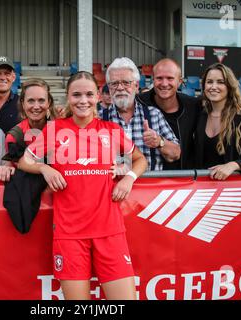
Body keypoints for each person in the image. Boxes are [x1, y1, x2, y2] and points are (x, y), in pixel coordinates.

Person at [18, 71, 148, 300]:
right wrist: (45, 168)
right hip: (70, 235)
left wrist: (128, 177)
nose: (83, 100)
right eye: (76, 95)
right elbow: (24, 161)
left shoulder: (111, 131)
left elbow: (140, 160)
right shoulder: (55, 129)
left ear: (98, 96)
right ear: (68, 97)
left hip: (110, 231)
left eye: (89, 94)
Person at [100, 57, 180, 171]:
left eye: (126, 83)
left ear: (136, 86)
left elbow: (176, 153)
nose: (120, 88)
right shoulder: (98, 118)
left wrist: (159, 141)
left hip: (149, 187)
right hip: (113, 187)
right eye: (114, 83)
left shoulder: (154, 115)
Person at [194, 63, 241, 180]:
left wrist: (233, 165)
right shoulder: (199, 113)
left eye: (220, 82)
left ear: (229, 86)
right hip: (201, 188)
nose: (213, 86)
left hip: (231, 188)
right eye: (209, 82)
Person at [137, 58, 201, 170]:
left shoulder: (193, 106)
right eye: (159, 78)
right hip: (148, 182)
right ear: (153, 80)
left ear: (180, 82)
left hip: (185, 180)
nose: (164, 83)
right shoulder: (138, 103)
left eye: (170, 78)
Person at [5, 78, 57, 161]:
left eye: (41, 100)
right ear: (23, 103)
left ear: (49, 102)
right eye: (31, 101)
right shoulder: (15, 136)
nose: (36, 106)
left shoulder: (60, 129)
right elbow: (17, 167)